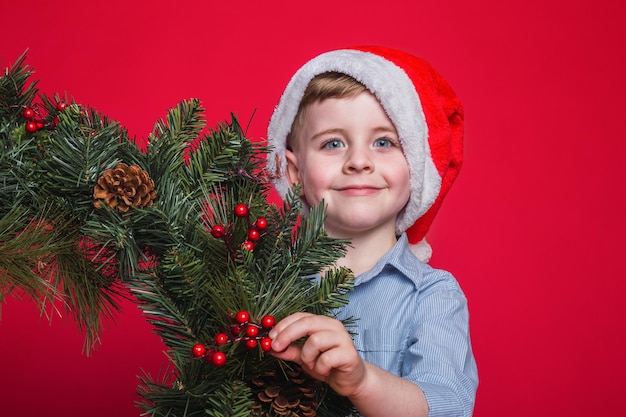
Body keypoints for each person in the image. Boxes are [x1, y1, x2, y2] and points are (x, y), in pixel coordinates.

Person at [265, 46, 478, 417]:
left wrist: (363, 382)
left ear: (416, 165)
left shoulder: (431, 296)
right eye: (333, 143)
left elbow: (448, 406)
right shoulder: (259, 279)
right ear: (293, 171)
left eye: (384, 142)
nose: (359, 161)